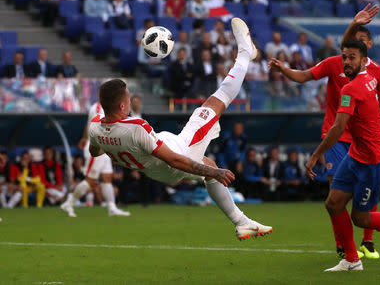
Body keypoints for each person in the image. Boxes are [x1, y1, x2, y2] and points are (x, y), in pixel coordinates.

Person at [85, 18, 272, 240]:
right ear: (123, 105)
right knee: (216, 101)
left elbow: (94, 151)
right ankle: (244, 52)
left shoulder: (95, 126)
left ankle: (242, 223)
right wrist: (215, 172)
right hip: (175, 156)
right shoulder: (136, 126)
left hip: (155, 169)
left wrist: (111, 147)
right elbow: (175, 160)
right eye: (128, 98)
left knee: (206, 162)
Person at [269, 4, 380, 259]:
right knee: (335, 194)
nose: (351, 49)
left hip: (363, 141)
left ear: (367, 46)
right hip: (334, 136)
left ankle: (367, 242)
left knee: (367, 188)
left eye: (359, 41)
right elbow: (303, 77)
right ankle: (343, 247)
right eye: (350, 43)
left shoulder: (377, 73)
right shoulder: (335, 63)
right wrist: (283, 70)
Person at [305, 40, 380, 272]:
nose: (346, 62)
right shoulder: (370, 78)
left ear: (362, 60)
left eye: (352, 58)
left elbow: (338, 128)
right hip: (357, 156)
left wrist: (315, 155)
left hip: (372, 163)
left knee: (361, 218)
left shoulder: (350, 89)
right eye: (344, 57)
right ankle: (351, 259)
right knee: (333, 203)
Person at [60, 100, 130, 217]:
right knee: (91, 180)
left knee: (107, 177)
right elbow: (98, 124)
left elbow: (89, 124)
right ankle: (69, 203)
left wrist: (84, 137)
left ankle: (112, 208)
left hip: (105, 146)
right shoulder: (99, 107)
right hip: (97, 146)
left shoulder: (106, 106)